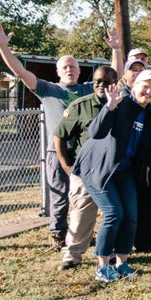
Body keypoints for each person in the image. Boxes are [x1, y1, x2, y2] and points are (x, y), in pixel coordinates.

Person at [0, 21, 93, 251]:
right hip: (56, 153)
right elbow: (20, 72)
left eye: (73, 66)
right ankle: (59, 235)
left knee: (85, 196)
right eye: (65, 66)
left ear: (79, 70)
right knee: (59, 195)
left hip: (84, 153)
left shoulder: (88, 90)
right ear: (58, 72)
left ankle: (81, 234)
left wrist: (116, 49)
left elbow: (112, 75)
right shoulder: (48, 90)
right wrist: (2, 48)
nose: (69, 69)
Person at [72, 70, 151, 283]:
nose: (149, 91)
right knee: (114, 213)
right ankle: (103, 266)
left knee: (131, 215)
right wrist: (110, 106)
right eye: (145, 86)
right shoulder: (120, 103)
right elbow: (96, 132)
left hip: (124, 170)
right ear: (134, 86)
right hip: (98, 168)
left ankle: (122, 262)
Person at [53, 65, 117, 270]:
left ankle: (111, 250)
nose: (101, 85)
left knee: (115, 213)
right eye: (97, 81)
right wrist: (66, 166)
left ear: (115, 84)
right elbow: (59, 136)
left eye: (106, 82)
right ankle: (72, 255)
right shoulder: (80, 106)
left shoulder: (123, 105)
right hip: (86, 171)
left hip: (113, 171)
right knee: (82, 212)